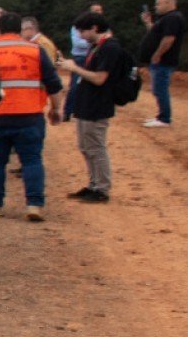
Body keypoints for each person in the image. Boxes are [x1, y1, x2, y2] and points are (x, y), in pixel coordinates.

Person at [0, 12, 64, 221]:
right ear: (20, 29)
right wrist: (55, 109)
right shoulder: (35, 50)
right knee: (32, 160)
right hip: (30, 114)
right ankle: (34, 204)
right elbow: (53, 83)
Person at [55, 11, 131, 202]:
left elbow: (100, 78)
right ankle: (93, 184)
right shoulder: (96, 47)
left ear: (94, 28)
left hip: (98, 105)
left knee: (96, 147)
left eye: (83, 31)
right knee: (86, 146)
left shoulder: (110, 48)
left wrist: (74, 68)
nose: (80, 36)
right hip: (87, 103)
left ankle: (102, 189)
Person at [137, 0, 185, 127]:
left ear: (169, 3)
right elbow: (155, 33)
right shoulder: (166, 18)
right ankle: (161, 115)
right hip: (159, 60)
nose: (155, 6)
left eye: (158, 3)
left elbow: (168, 39)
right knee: (158, 88)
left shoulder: (173, 18)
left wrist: (157, 54)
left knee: (160, 88)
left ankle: (164, 118)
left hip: (164, 60)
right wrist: (148, 22)